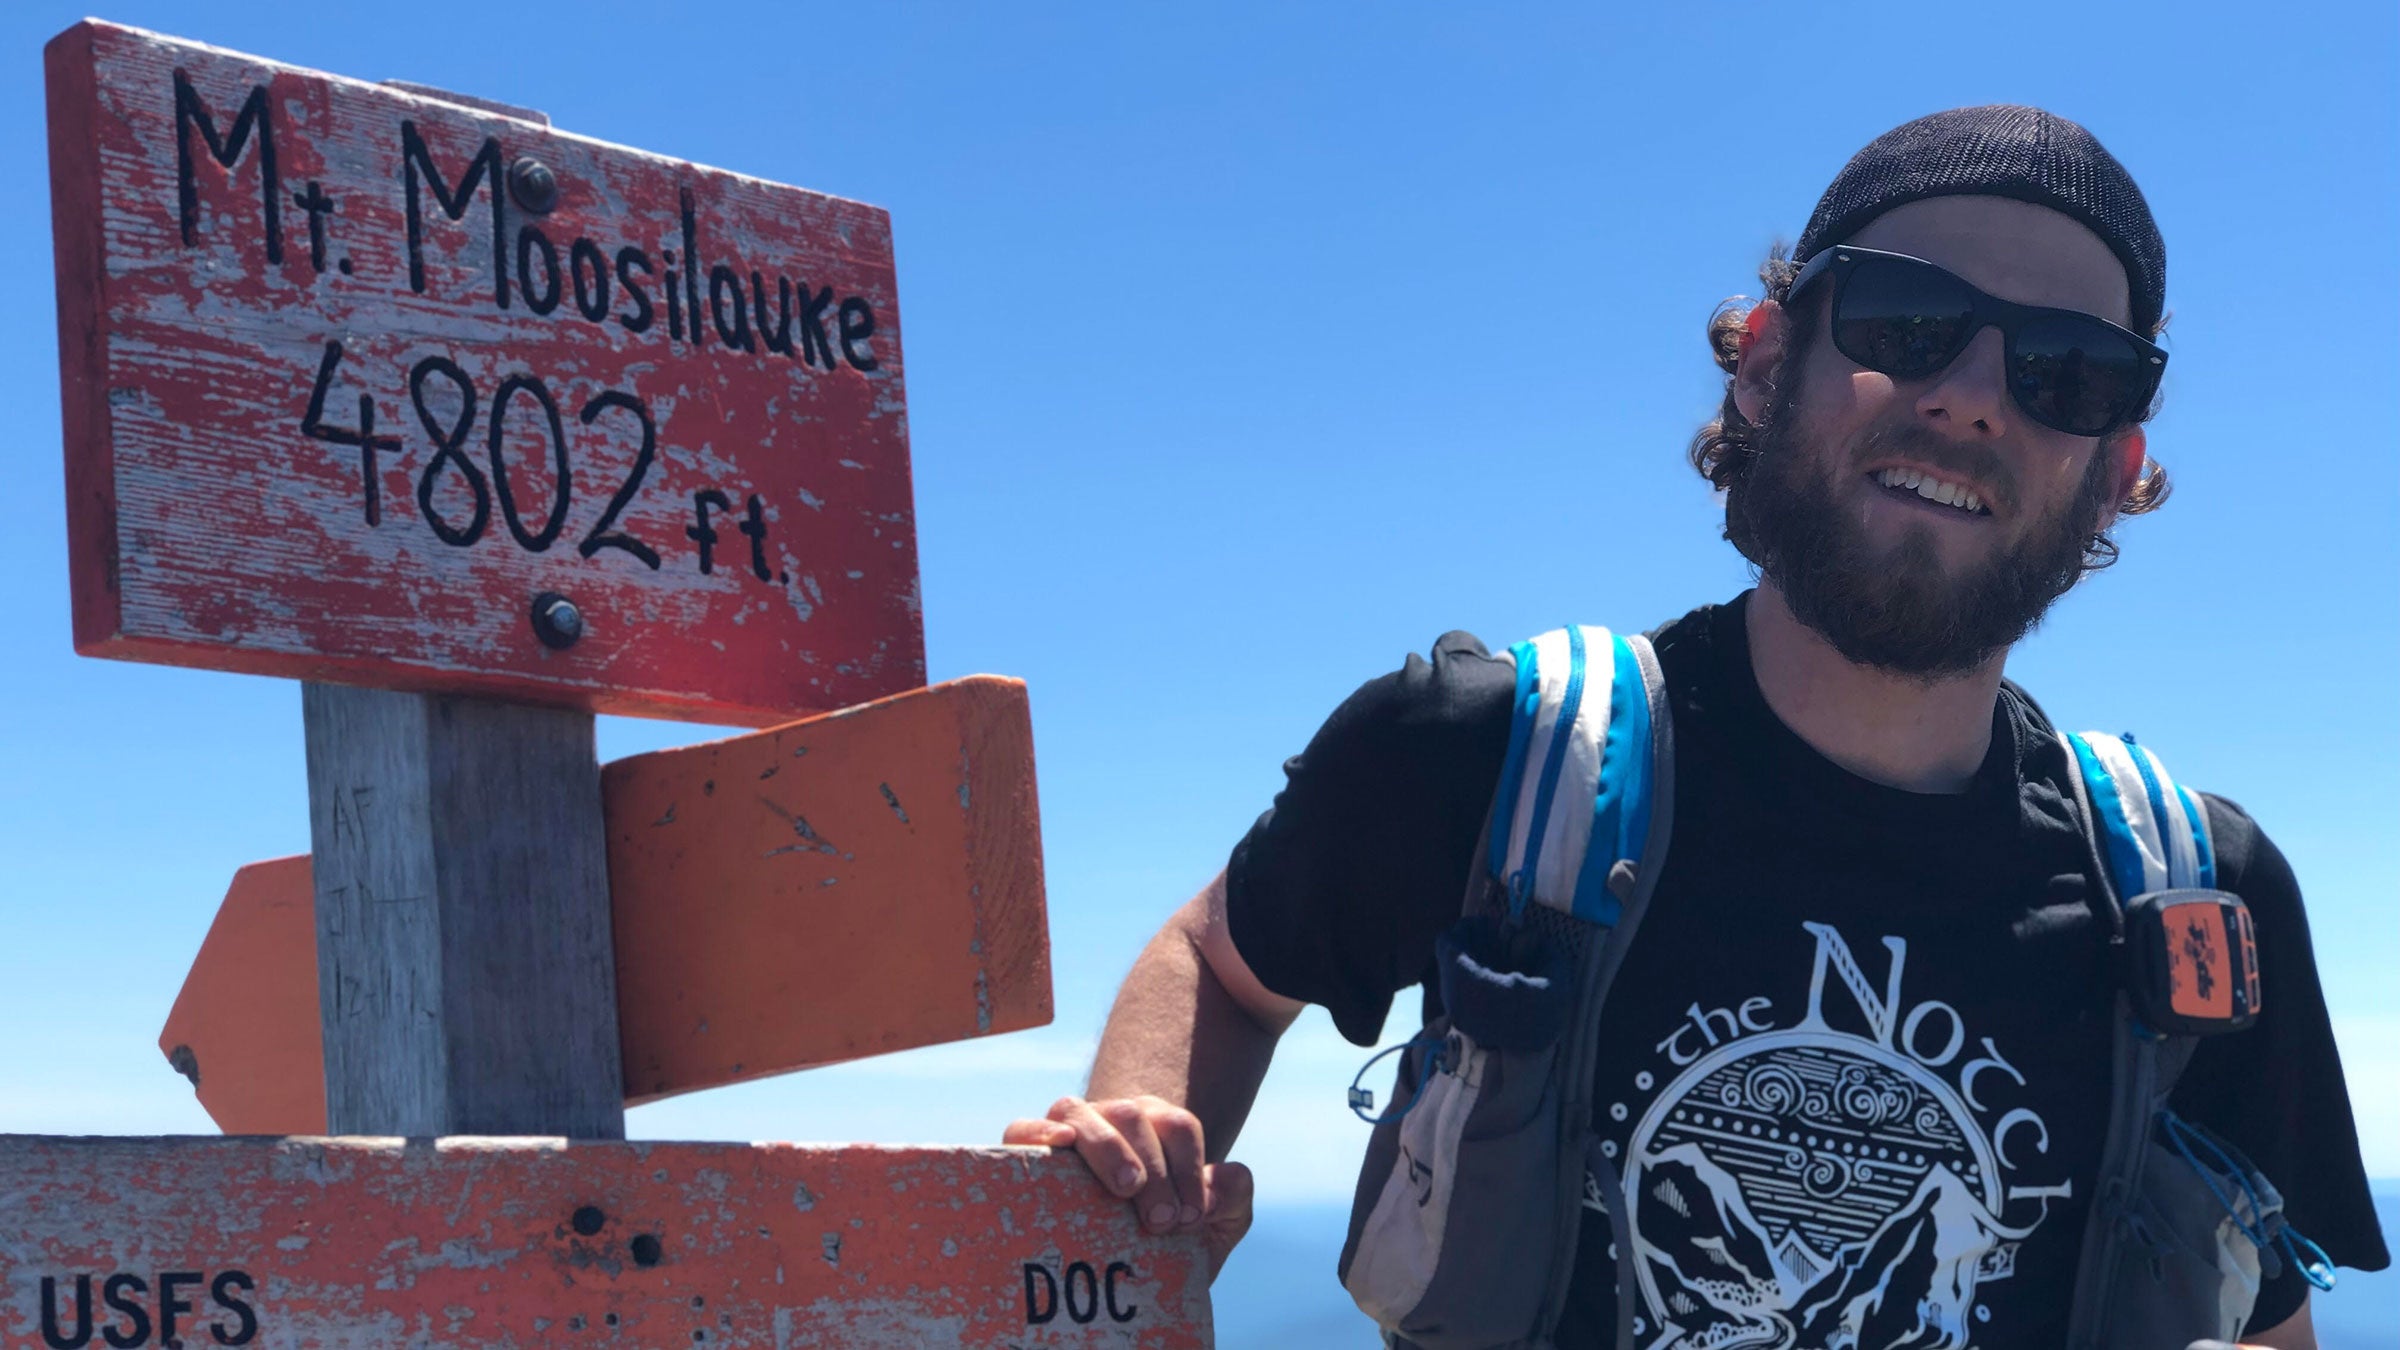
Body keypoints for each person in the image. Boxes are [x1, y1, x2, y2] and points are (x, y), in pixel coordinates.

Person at [1004, 106, 2388, 1349]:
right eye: (1906, 321)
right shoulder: (1488, 755)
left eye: (2069, 371)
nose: (1973, 392)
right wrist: (1127, 1169)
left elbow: (2269, 1320)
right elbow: (1222, 959)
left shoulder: (2198, 905)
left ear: (2116, 465)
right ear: (1764, 364)